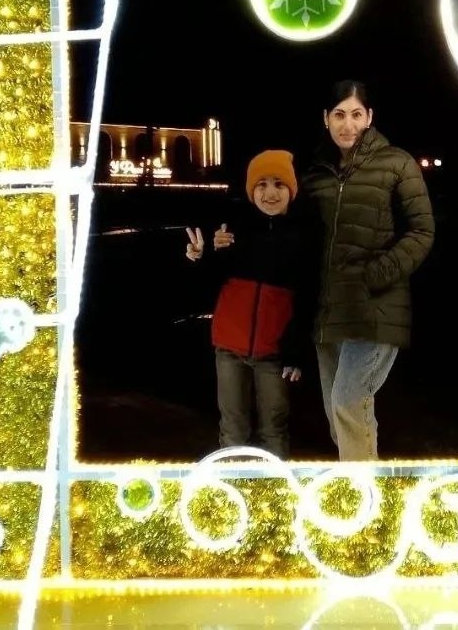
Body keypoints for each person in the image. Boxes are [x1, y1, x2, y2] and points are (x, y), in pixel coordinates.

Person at [301, 80, 435, 461]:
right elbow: (294, 235)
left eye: (356, 114)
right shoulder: (316, 174)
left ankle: (363, 493)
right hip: (329, 311)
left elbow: (422, 230)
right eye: (339, 115)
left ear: (370, 117)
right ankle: (363, 484)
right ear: (326, 119)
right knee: (339, 417)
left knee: (348, 403)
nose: (348, 124)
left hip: (375, 308)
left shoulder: (396, 163)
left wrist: (376, 275)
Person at [185, 149, 316, 460]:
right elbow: (209, 286)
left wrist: (296, 353)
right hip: (229, 348)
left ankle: (276, 487)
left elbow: (308, 298)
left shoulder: (303, 236)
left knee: (274, 428)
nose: (270, 193)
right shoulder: (231, 231)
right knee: (233, 429)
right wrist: (200, 257)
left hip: (274, 354)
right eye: (262, 184)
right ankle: (232, 485)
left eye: (279, 184)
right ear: (250, 190)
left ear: (291, 190)